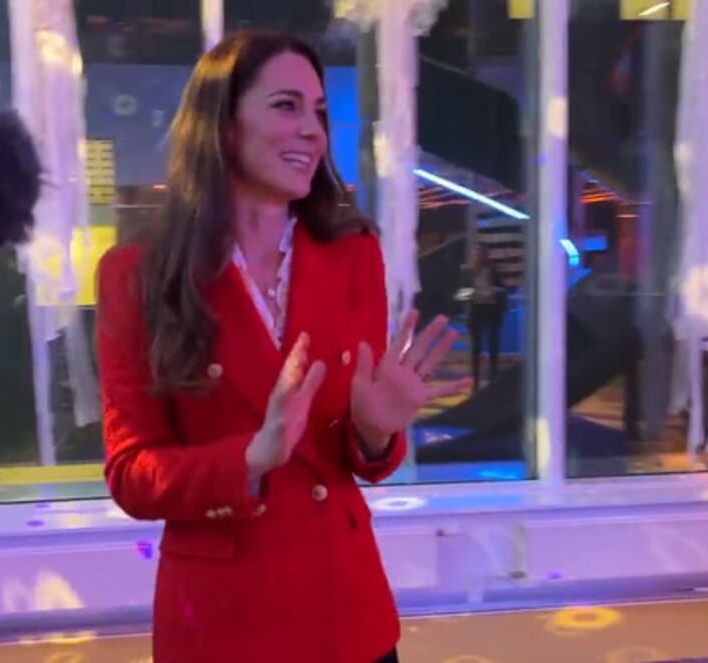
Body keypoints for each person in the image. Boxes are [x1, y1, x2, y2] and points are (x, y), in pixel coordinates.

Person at [95, 32, 470, 663]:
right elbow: (132, 473)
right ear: (223, 123)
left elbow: (360, 459)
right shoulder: (137, 274)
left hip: (345, 613)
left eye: (318, 112)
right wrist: (249, 458)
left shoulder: (354, 255)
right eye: (286, 106)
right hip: (222, 624)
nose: (312, 131)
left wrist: (376, 432)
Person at [465, 244, 507, 389]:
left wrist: (493, 293)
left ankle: (493, 376)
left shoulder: (494, 270)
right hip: (477, 310)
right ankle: (475, 379)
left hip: (492, 310)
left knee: (493, 344)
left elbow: (503, 289)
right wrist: (475, 295)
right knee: (476, 346)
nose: (478, 256)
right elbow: (462, 294)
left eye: (480, 253)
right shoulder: (468, 272)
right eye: (476, 253)